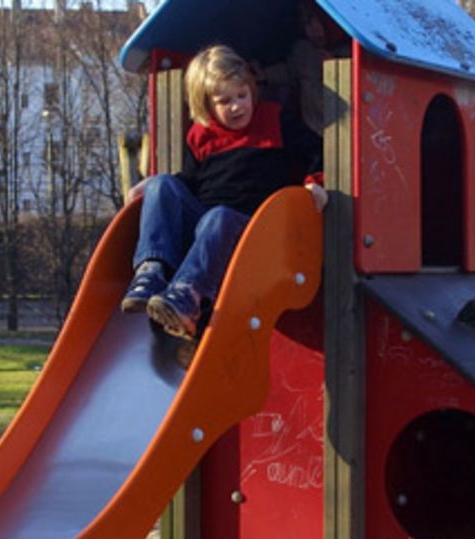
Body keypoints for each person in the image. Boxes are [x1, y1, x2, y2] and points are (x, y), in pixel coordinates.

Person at [121, 44, 327, 340]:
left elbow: (316, 149)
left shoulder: (273, 120)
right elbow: (190, 182)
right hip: (208, 227)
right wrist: (151, 185)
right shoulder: (200, 135)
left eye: (241, 96)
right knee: (162, 184)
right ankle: (152, 270)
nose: (236, 106)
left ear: (251, 90)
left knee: (217, 217)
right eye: (224, 101)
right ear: (205, 105)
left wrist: (314, 183)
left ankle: (188, 295)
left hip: (253, 231)